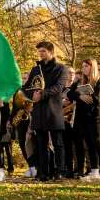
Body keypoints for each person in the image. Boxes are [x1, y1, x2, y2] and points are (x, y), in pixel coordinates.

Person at [24, 41, 69, 182]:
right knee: (41, 144)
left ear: (51, 52)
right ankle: (43, 173)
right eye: (39, 52)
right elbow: (27, 88)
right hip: (39, 110)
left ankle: (59, 172)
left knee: (58, 143)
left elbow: (59, 87)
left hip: (53, 110)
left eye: (43, 51)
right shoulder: (36, 69)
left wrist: (42, 94)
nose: (41, 54)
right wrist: (32, 96)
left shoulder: (61, 68)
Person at [67, 59, 100, 182]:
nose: (84, 68)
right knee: (89, 143)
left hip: (96, 116)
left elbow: (98, 99)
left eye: (86, 66)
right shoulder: (79, 81)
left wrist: (87, 96)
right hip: (82, 117)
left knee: (97, 142)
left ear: (92, 67)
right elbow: (69, 94)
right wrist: (80, 95)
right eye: (82, 66)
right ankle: (94, 171)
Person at [62, 67, 86, 178]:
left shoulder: (78, 86)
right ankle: (69, 170)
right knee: (67, 146)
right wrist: (61, 102)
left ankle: (80, 169)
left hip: (77, 120)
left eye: (73, 73)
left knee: (79, 146)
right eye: (69, 73)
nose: (71, 74)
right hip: (63, 120)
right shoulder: (60, 87)